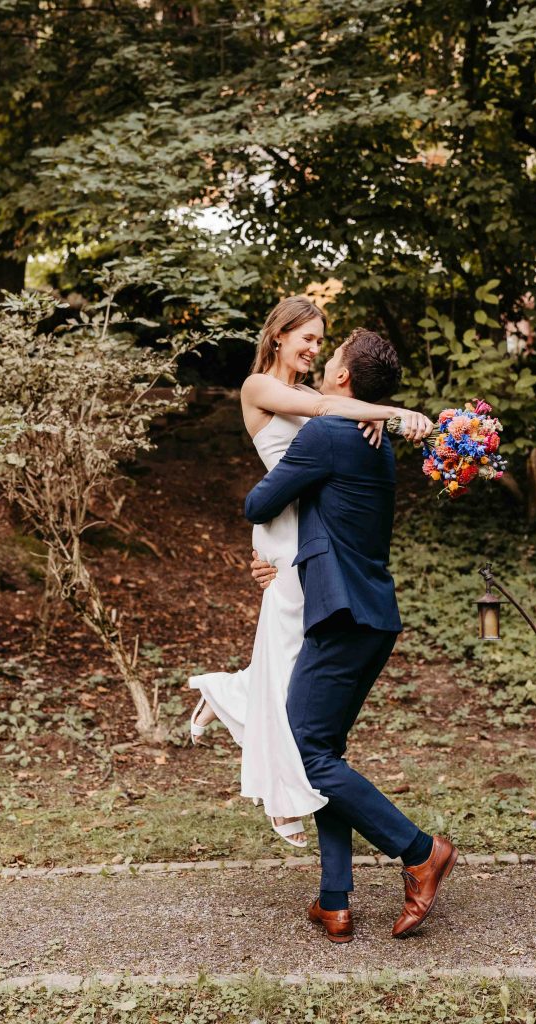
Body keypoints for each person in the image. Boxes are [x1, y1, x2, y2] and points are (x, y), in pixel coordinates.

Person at [189, 296, 432, 848]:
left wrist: (366, 414)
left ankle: (229, 700)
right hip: (283, 530)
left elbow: (333, 412)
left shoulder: (317, 396)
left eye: (322, 341)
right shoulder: (258, 387)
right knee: (290, 653)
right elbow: (325, 411)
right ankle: (280, 793)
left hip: (314, 531)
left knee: (296, 656)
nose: (315, 349)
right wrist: (387, 413)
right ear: (278, 335)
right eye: (307, 338)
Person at [244, 330, 458, 943]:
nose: (325, 356)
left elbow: (258, 504)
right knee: (323, 751)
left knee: (305, 753)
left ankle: (420, 851)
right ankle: (334, 900)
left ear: (342, 378)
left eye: (332, 351)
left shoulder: (327, 434)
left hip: (337, 617)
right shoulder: (374, 441)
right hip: (373, 617)